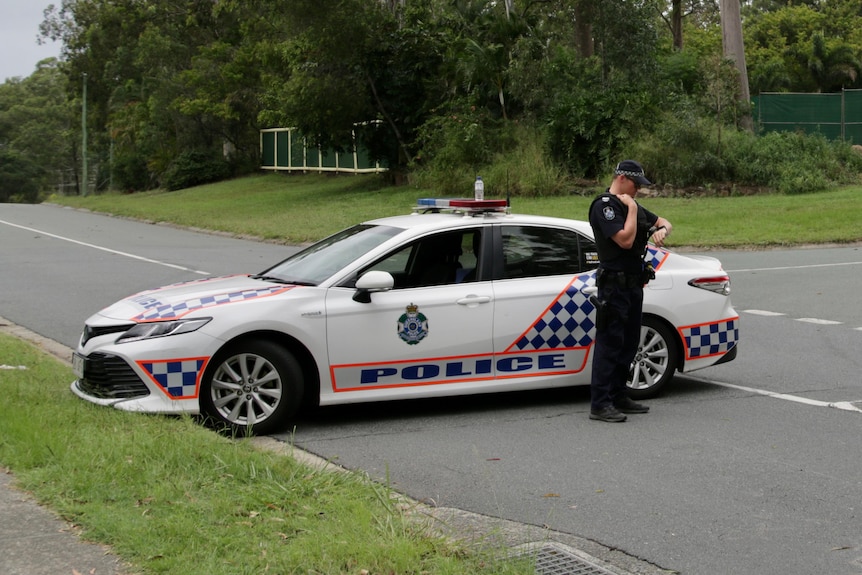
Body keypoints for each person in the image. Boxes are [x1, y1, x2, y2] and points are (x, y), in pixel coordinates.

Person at [587, 160, 672, 422]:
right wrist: (633, 210)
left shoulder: (628, 202)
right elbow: (624, 240)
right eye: (636, 185)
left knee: (629, 343)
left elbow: (665, 222)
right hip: (613, 287)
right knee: (610, 344)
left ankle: (619, 394)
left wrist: (661, 230)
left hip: (634, 285)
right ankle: (600, 403)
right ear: (622, 178)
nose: (637, 191)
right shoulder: (605, 206)